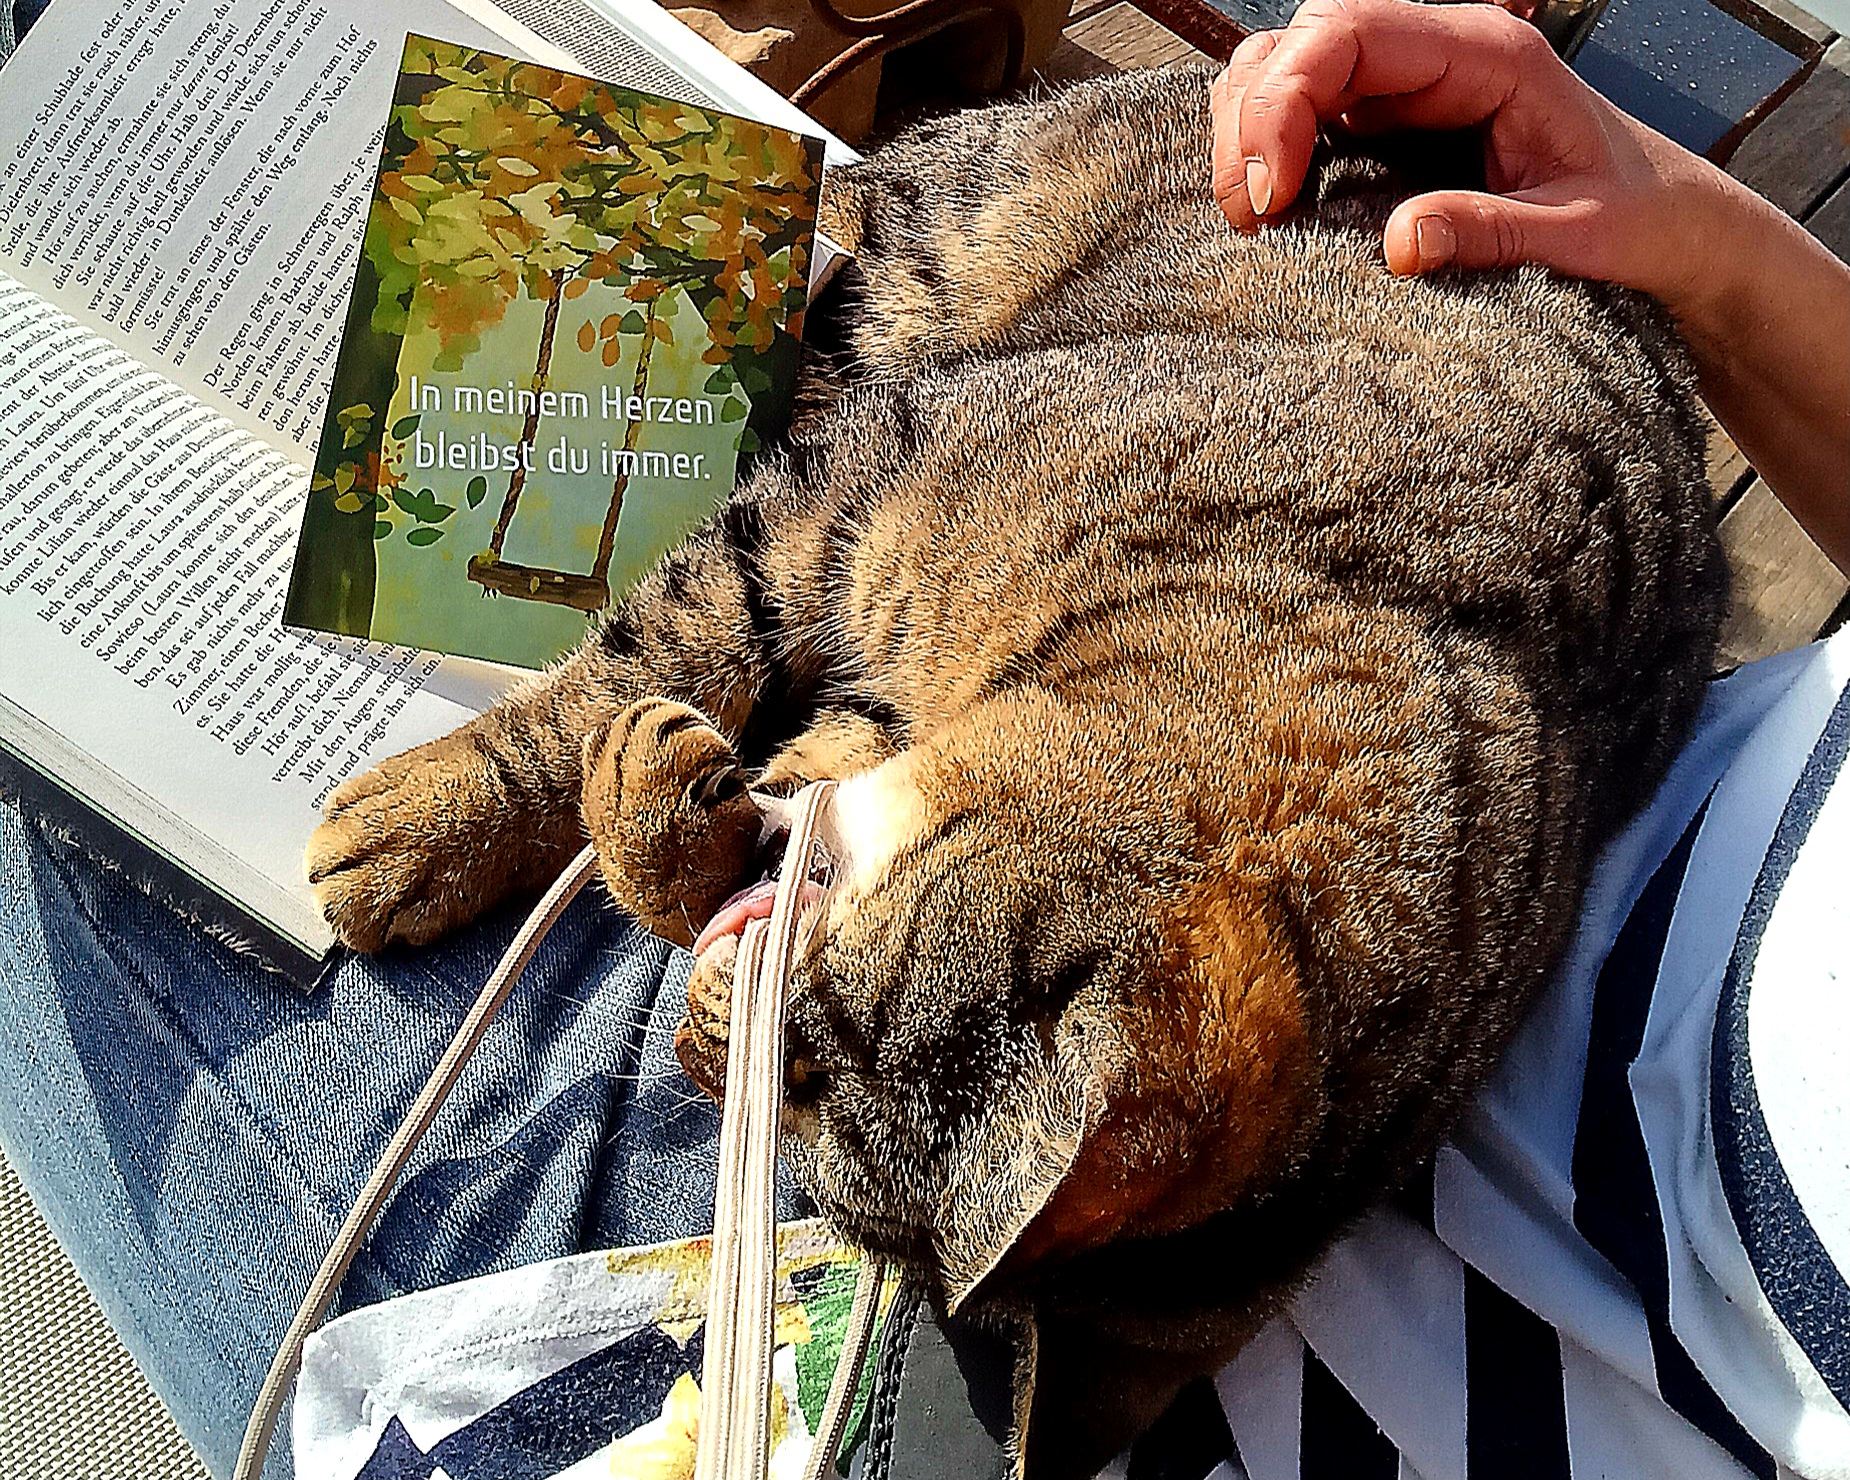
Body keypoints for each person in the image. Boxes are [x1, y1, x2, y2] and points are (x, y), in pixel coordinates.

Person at [0, 2, 1846, 1477]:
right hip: (1195, 385)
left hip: (997, 1308)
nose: (744, 960)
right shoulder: (1136, 616)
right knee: (657, 253)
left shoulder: (1089, 923)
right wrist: (1702, 244)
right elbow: (845, 506)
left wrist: (742, 900)